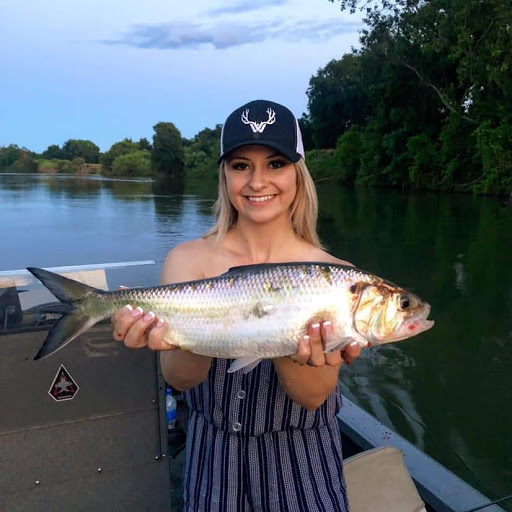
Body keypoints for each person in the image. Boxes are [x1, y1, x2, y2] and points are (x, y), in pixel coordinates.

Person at [111, 99, 362, 512]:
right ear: (224, 175)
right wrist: (178, 332)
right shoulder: (187, 260)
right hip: (213, 459)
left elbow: (313, 399)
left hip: (302, 462)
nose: (257, 181)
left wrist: (285, 331)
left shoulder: (336, 277)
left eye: (276, 163)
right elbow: (182, 380)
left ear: (298, 173)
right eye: (241, 165)